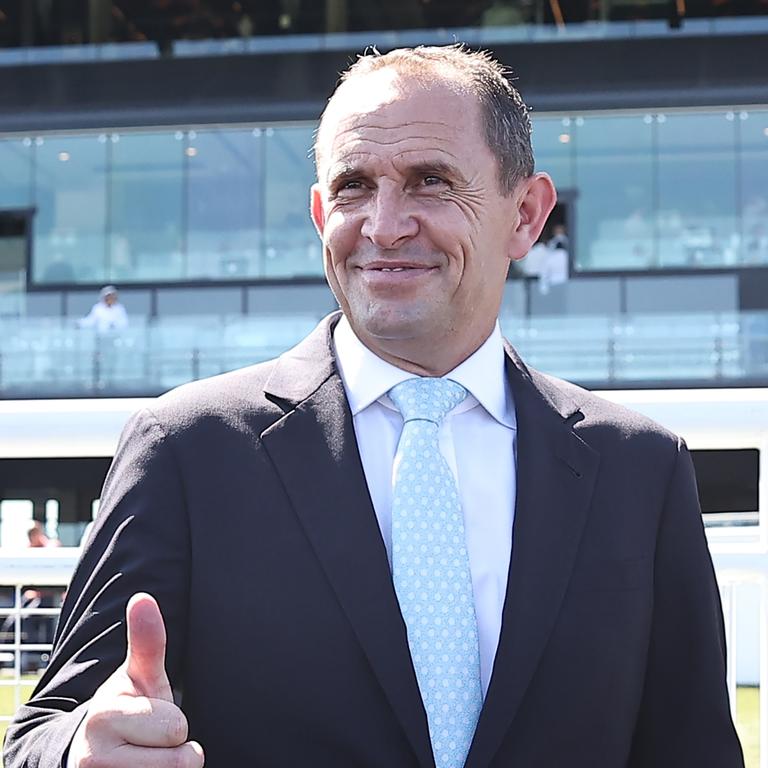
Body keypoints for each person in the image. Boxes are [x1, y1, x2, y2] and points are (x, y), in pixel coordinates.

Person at [4, 45, 743, 768]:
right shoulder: (188, 451)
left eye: (430, 181)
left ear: (525, 215)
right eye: (355, 186)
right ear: (321, 213)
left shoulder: (639, 469)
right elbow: (40, 734)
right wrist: (80, 751)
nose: (385, 226)